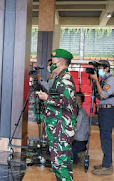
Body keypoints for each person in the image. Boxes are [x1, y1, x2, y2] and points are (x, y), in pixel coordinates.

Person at [38, 49, 78, 181]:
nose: (51, 65)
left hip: (61, 130)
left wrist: (47, 97)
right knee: (60, 165)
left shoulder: (65, 79)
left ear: (60, 63)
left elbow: (67, 102)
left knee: (60, 165)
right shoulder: (59, 78)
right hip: (57, 129)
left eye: (53, 62)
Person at [89, 60, 114, 175]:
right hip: (103, 110)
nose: (99, 70)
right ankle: (106, 162)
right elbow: (95, 92)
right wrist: (94, 80)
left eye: (100, 67)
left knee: (106, 138)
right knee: (103, 137)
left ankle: (107, 166)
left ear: (106, 69)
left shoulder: (111, 80)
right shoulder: (103, 80)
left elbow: (103, 95)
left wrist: (96, 80)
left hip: (108, 110)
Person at [72, 92, 89, 166]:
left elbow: (76, 127)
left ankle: (79, 157)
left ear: (79, 101)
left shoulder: (80, 112)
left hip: (80, 141)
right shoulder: (77, 110)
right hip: (78, 139)